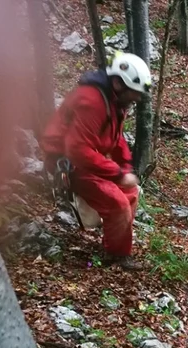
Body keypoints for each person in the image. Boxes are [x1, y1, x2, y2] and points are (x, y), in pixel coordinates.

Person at [41, 52, 151, 270]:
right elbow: (78, 150)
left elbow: (117, 140)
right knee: (117, 203)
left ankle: (116, 247)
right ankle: (116, 256)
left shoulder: (114, 103)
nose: (136, 98)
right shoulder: (92, 101)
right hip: (68, 164)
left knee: (130, 194)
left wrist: (126, 167)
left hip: (87, 160)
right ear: (118, 83)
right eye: (134, 92)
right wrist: (118, 174)